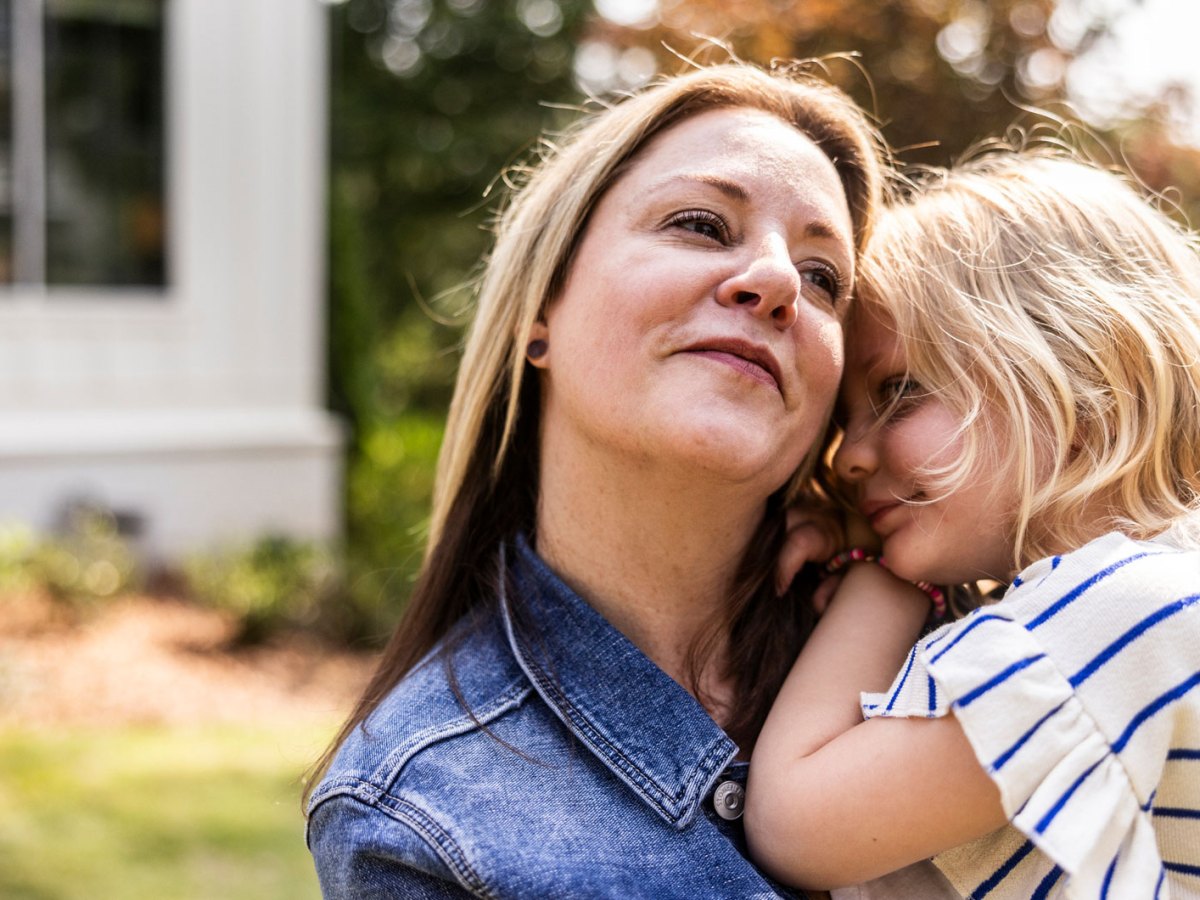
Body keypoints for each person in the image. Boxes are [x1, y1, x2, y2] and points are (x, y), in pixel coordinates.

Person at [305, 62, 884, 898]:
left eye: (825, 276)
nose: (780, 281)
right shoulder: (417, 817)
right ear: (541, 310)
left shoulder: (963, 648)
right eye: (700, 224)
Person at [744, 150, 1200, 899]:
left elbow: (793, 824)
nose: (849, 459)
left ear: (1083, 380)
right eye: (846, 420)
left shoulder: (1119, 615)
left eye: (899, 392)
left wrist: (884, 581)